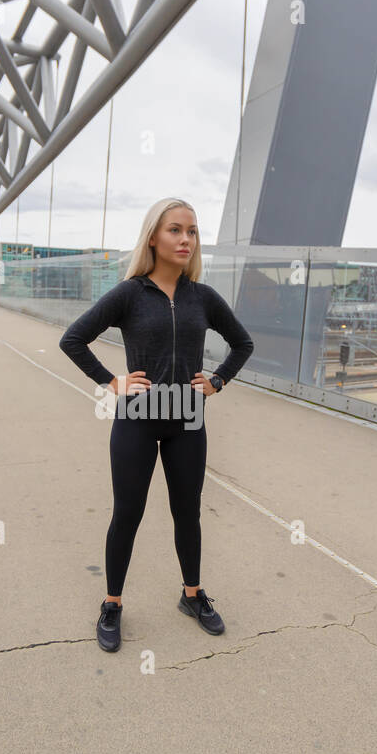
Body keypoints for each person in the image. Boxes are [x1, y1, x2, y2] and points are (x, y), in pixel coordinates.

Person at [59, 198, 254, 652]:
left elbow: (242, 342)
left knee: (188, 511)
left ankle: (192, 596)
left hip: (187, 419)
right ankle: (112, 604)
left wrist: (217, 380)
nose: (185, 239)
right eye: (175, 230)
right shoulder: (129, 293)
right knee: (128, 512)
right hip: (137, 420)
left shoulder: (202, 297)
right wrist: (112, 381)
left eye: (192, 231)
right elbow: (73, 339)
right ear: (154, 237)